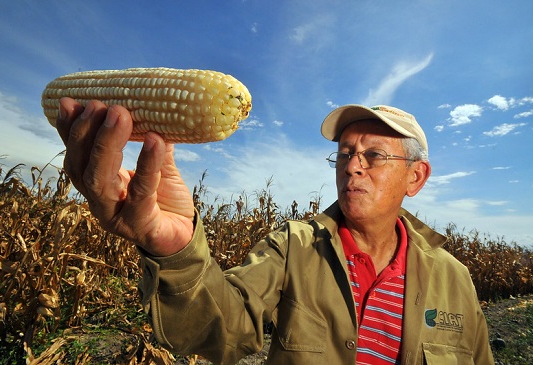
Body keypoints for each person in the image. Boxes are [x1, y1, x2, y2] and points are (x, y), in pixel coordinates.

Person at [56, 97, 495, 365]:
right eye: (344, 154)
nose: (352, 166)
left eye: (374, 156)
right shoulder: (293, 246)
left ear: (416, 178)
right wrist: (176, 250)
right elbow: (221, 331)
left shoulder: (453, 277)